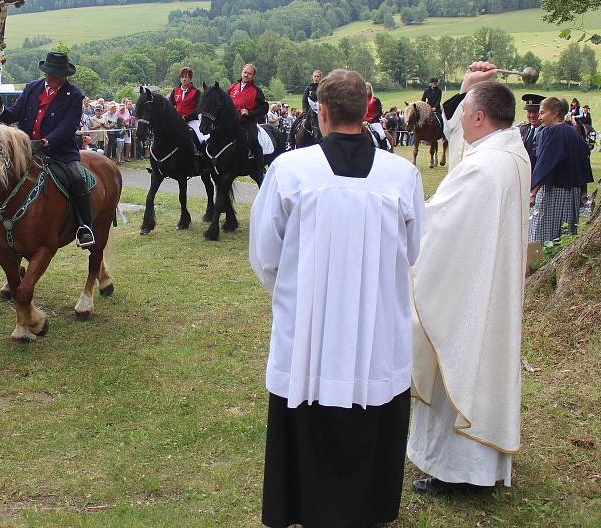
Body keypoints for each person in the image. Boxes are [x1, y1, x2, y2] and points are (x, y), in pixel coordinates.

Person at [250, 68, 425, 528]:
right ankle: (367, 508)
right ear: (367, 108)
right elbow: (412, 251)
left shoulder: (289, 170)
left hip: (308, 332)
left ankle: (303, 505)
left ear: (321, 113)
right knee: (371, 408)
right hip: (376, 331)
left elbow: (265, 255)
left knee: (308, 406)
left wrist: (299, 294)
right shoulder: (402, 175)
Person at [407, 61, 530, 495]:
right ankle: (479, 465)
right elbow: (461, 150)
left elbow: (437, 222)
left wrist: (403, 221)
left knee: (461, 359)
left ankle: (459, 470)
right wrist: (468, 86)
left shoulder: (485, 167)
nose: (456, 120)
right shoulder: (510, 151)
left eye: (464, 111)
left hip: (470, 292)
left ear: (479, 117)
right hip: (487, 283)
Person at [0, 51, 94, 248]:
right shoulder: (32, 88)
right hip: (25, 149)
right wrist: (0, 108)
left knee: (77, 178)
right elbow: (14, 113)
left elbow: (68, 126)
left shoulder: (74, 94)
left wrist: (45, 142)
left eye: (59, 75)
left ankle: (85, 227)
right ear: (45, 73)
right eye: (51, 74)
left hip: (59, 151)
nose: (55, 78)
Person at [528, 96, 594, 243]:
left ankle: (539, 264)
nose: (539, 117)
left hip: (553, 193)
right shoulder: (571, 132)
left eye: (542, 113)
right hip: (571, 193)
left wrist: (533, 192)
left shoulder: (555, 132)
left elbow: (546, 163)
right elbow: (584, 161)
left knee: (542, 236)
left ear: (555, 112)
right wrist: (583, 191)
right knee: (564, 234)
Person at [228, 63, 269, 169]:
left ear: (253, 76)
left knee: (254, 140)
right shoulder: (232, 88)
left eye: (249, 73)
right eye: (245, 72)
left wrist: (249, 113)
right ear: (242, 72)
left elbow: (264, 108)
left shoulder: (256, 90)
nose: (246, 75)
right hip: (232, 123)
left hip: (247, 122)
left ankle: (260, 169)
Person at [168, 66, 203, 156]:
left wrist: (187, 118)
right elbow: (170, 106)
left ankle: (198, 152)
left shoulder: (196, 92)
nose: (184, 79)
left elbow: (199, 108)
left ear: (190, 79)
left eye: (186, 77)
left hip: (192, 121)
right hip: (177, 120)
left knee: (199, 137)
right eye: (182, 77)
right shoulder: (175, 91)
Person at [517, 93, 546, 171]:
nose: (532, 115)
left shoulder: (547, 132)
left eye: (535, 112)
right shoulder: (522, 129)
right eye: (529, 112)